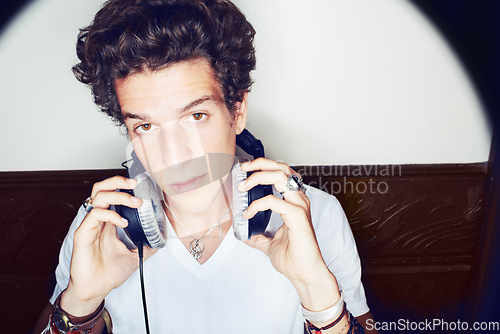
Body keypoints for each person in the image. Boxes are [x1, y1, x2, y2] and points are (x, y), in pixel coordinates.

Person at [34, 0, 376, 333]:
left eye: (195, 116)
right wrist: (81, 302)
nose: (175, 156)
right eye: (146, 126)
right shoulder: (104, 224)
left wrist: (316, 290)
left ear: (237, 111)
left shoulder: (317, 215)